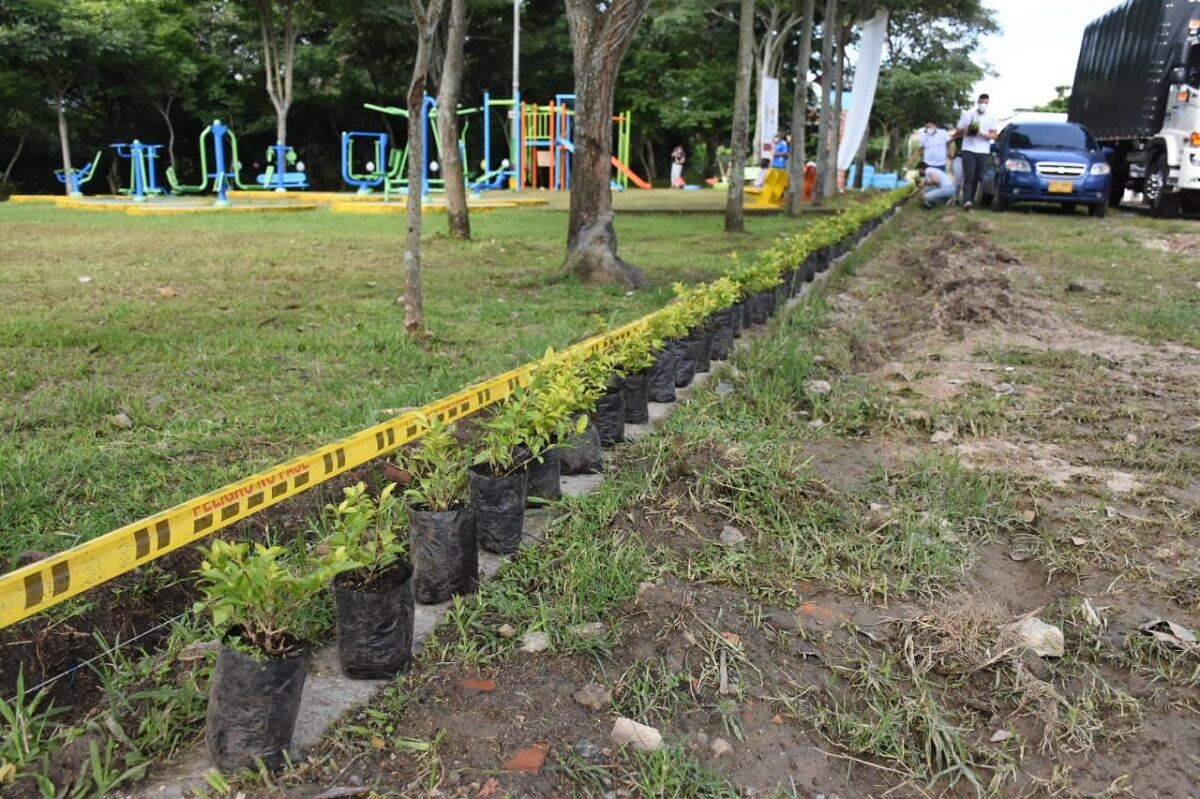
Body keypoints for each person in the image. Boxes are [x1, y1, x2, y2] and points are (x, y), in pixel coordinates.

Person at [952, 93, 998, 210]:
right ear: (978, 102)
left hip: (983, 150)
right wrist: (967, 129)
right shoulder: (968, 114)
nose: (983, 105)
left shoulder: (991, 117)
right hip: (968, 149)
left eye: (986, 103)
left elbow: (994, 135)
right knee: (969, 175)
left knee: (978, 176)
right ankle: (967, 200)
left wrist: (982, 134)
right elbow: (957, 131)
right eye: (982, 102)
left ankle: (971, 199)